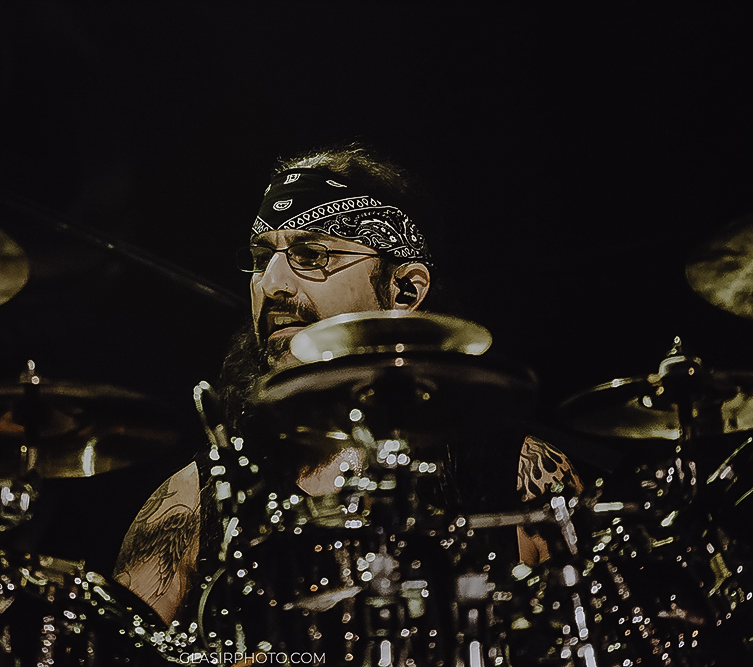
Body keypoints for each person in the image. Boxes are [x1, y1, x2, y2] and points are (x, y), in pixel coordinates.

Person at [113, 142, 583, 625]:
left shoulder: (519, 474)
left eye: (310, 255)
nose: (272, 284)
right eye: (260, 257)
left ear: (405, 290)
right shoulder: (196, 499)